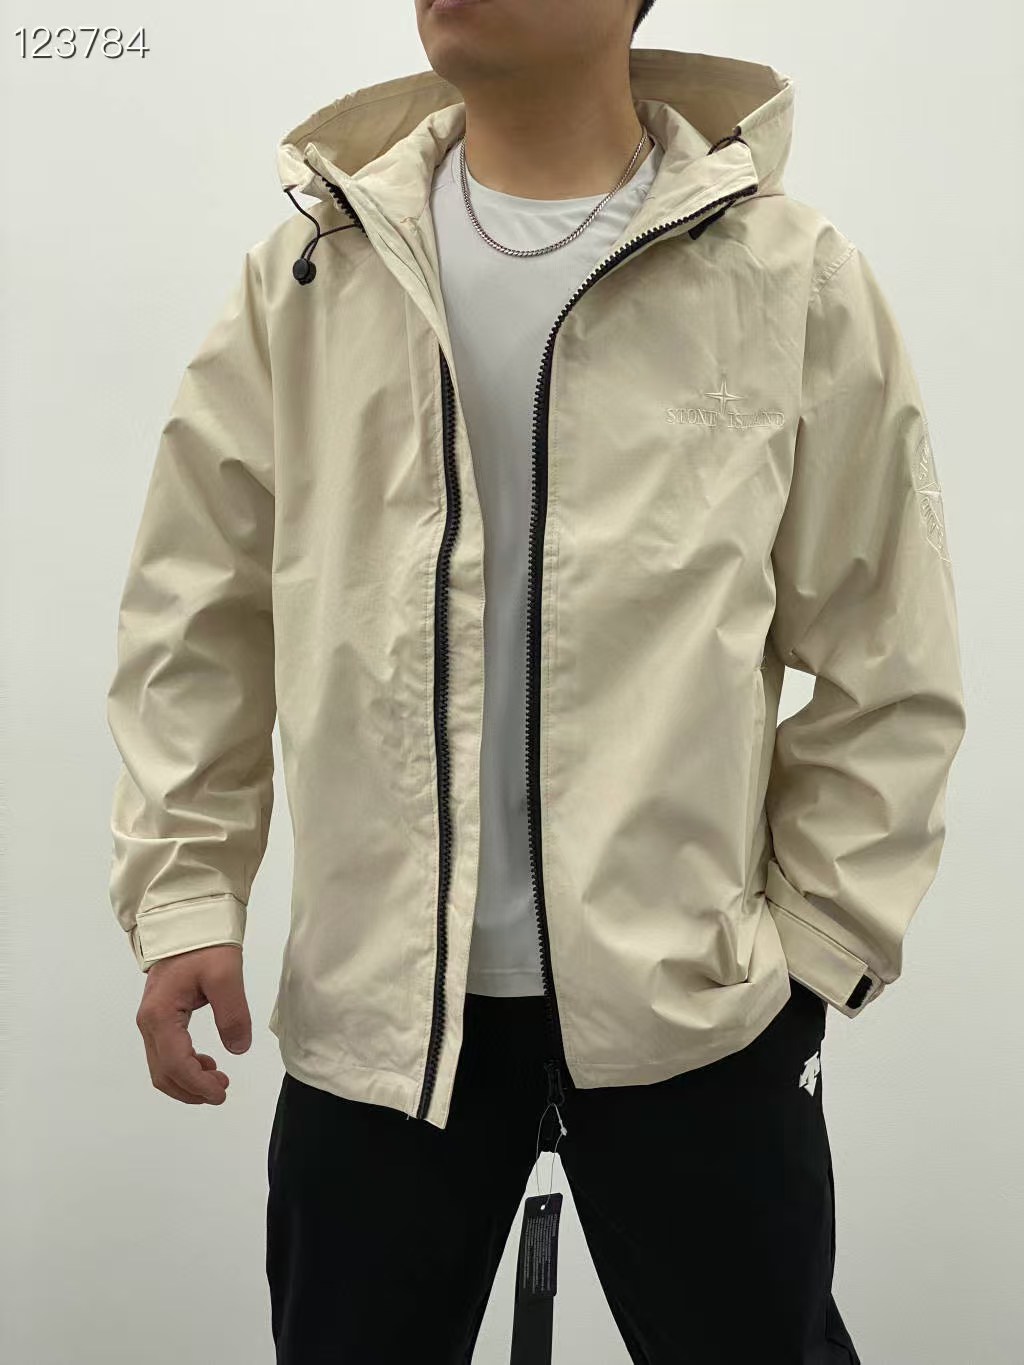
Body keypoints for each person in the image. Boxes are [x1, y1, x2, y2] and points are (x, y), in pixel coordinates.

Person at [105, 1, 967, 1360]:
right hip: (380, 1020)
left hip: (695, 1015)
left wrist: (813, 953)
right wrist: (186, 892)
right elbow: (196, 617)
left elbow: (889, 651)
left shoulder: (787, 277)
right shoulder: (313, 277)